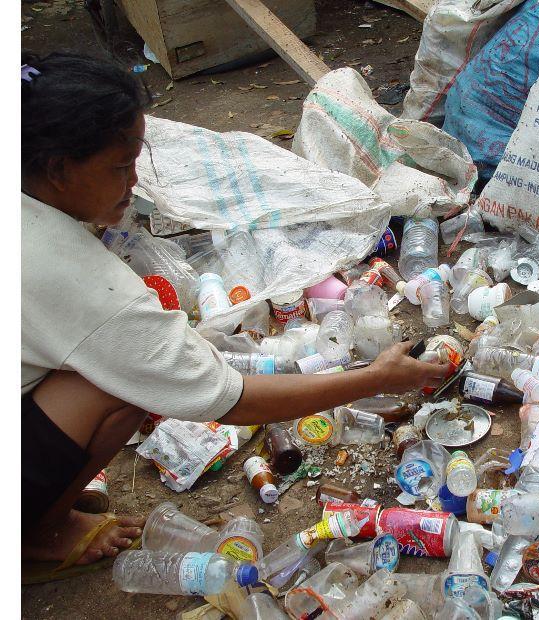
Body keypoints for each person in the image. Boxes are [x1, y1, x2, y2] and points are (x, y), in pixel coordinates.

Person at [21, 51, 449, 577]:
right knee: (120, 383)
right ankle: (31, 534)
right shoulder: (82, 282)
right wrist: (373, 379)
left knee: (116, 368)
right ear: (58, 169)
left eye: (136, 161)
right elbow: (230, 398)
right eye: (119, 167)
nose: (134, 182)